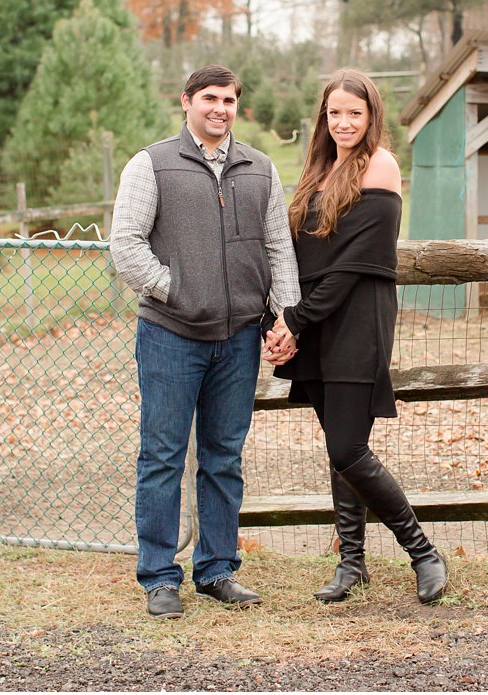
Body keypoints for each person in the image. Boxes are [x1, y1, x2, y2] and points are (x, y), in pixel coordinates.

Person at [111, 64, 300, 620]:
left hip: (239, 338)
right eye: (210, 98)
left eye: (230, 100)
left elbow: (277, 246)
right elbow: (125, 245)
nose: (220, 108)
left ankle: (217, 570)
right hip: (171, 335)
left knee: (223, 457)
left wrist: (283, 316)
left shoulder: (260, 169)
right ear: (187, 101)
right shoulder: (151, 165)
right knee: (163, 456)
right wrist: (175, 289)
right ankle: (159, 577)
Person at [263, 69, 449, 605]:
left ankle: (422, 553)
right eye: (334, 113)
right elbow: (300, 257)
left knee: (348, 445)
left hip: (356, 318)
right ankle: (351, 563)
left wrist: (295, 321)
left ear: (371, 117)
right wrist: (283, 322)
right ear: (324, 117)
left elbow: (352, 265)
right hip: (315, 319)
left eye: (354, 113)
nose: (343, 122)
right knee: (339, 448)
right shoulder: (320, 169)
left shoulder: (380, 166)